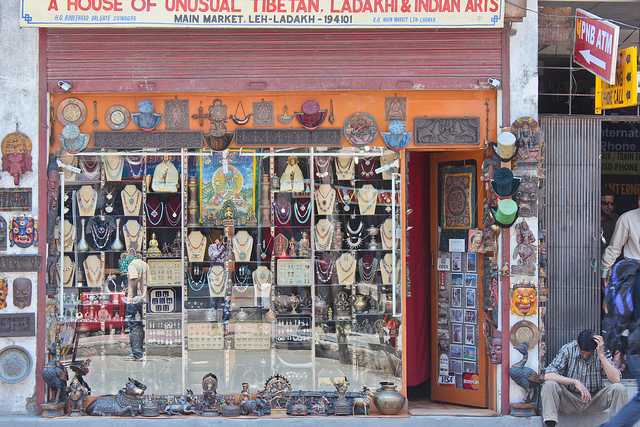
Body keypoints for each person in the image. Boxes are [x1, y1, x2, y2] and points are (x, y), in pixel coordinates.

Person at [541, 330, 626, 426]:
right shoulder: (568, 349)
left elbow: (616, 379)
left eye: (588, 353)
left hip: (594, 399)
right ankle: (550, 424)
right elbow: (547, 375)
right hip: (570, 399)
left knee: (619, 389)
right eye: (582, 352)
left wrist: (601, 356)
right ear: (577, 344)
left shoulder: (601, 351)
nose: (585, 355)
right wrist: (575, 382)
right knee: (549, 385)